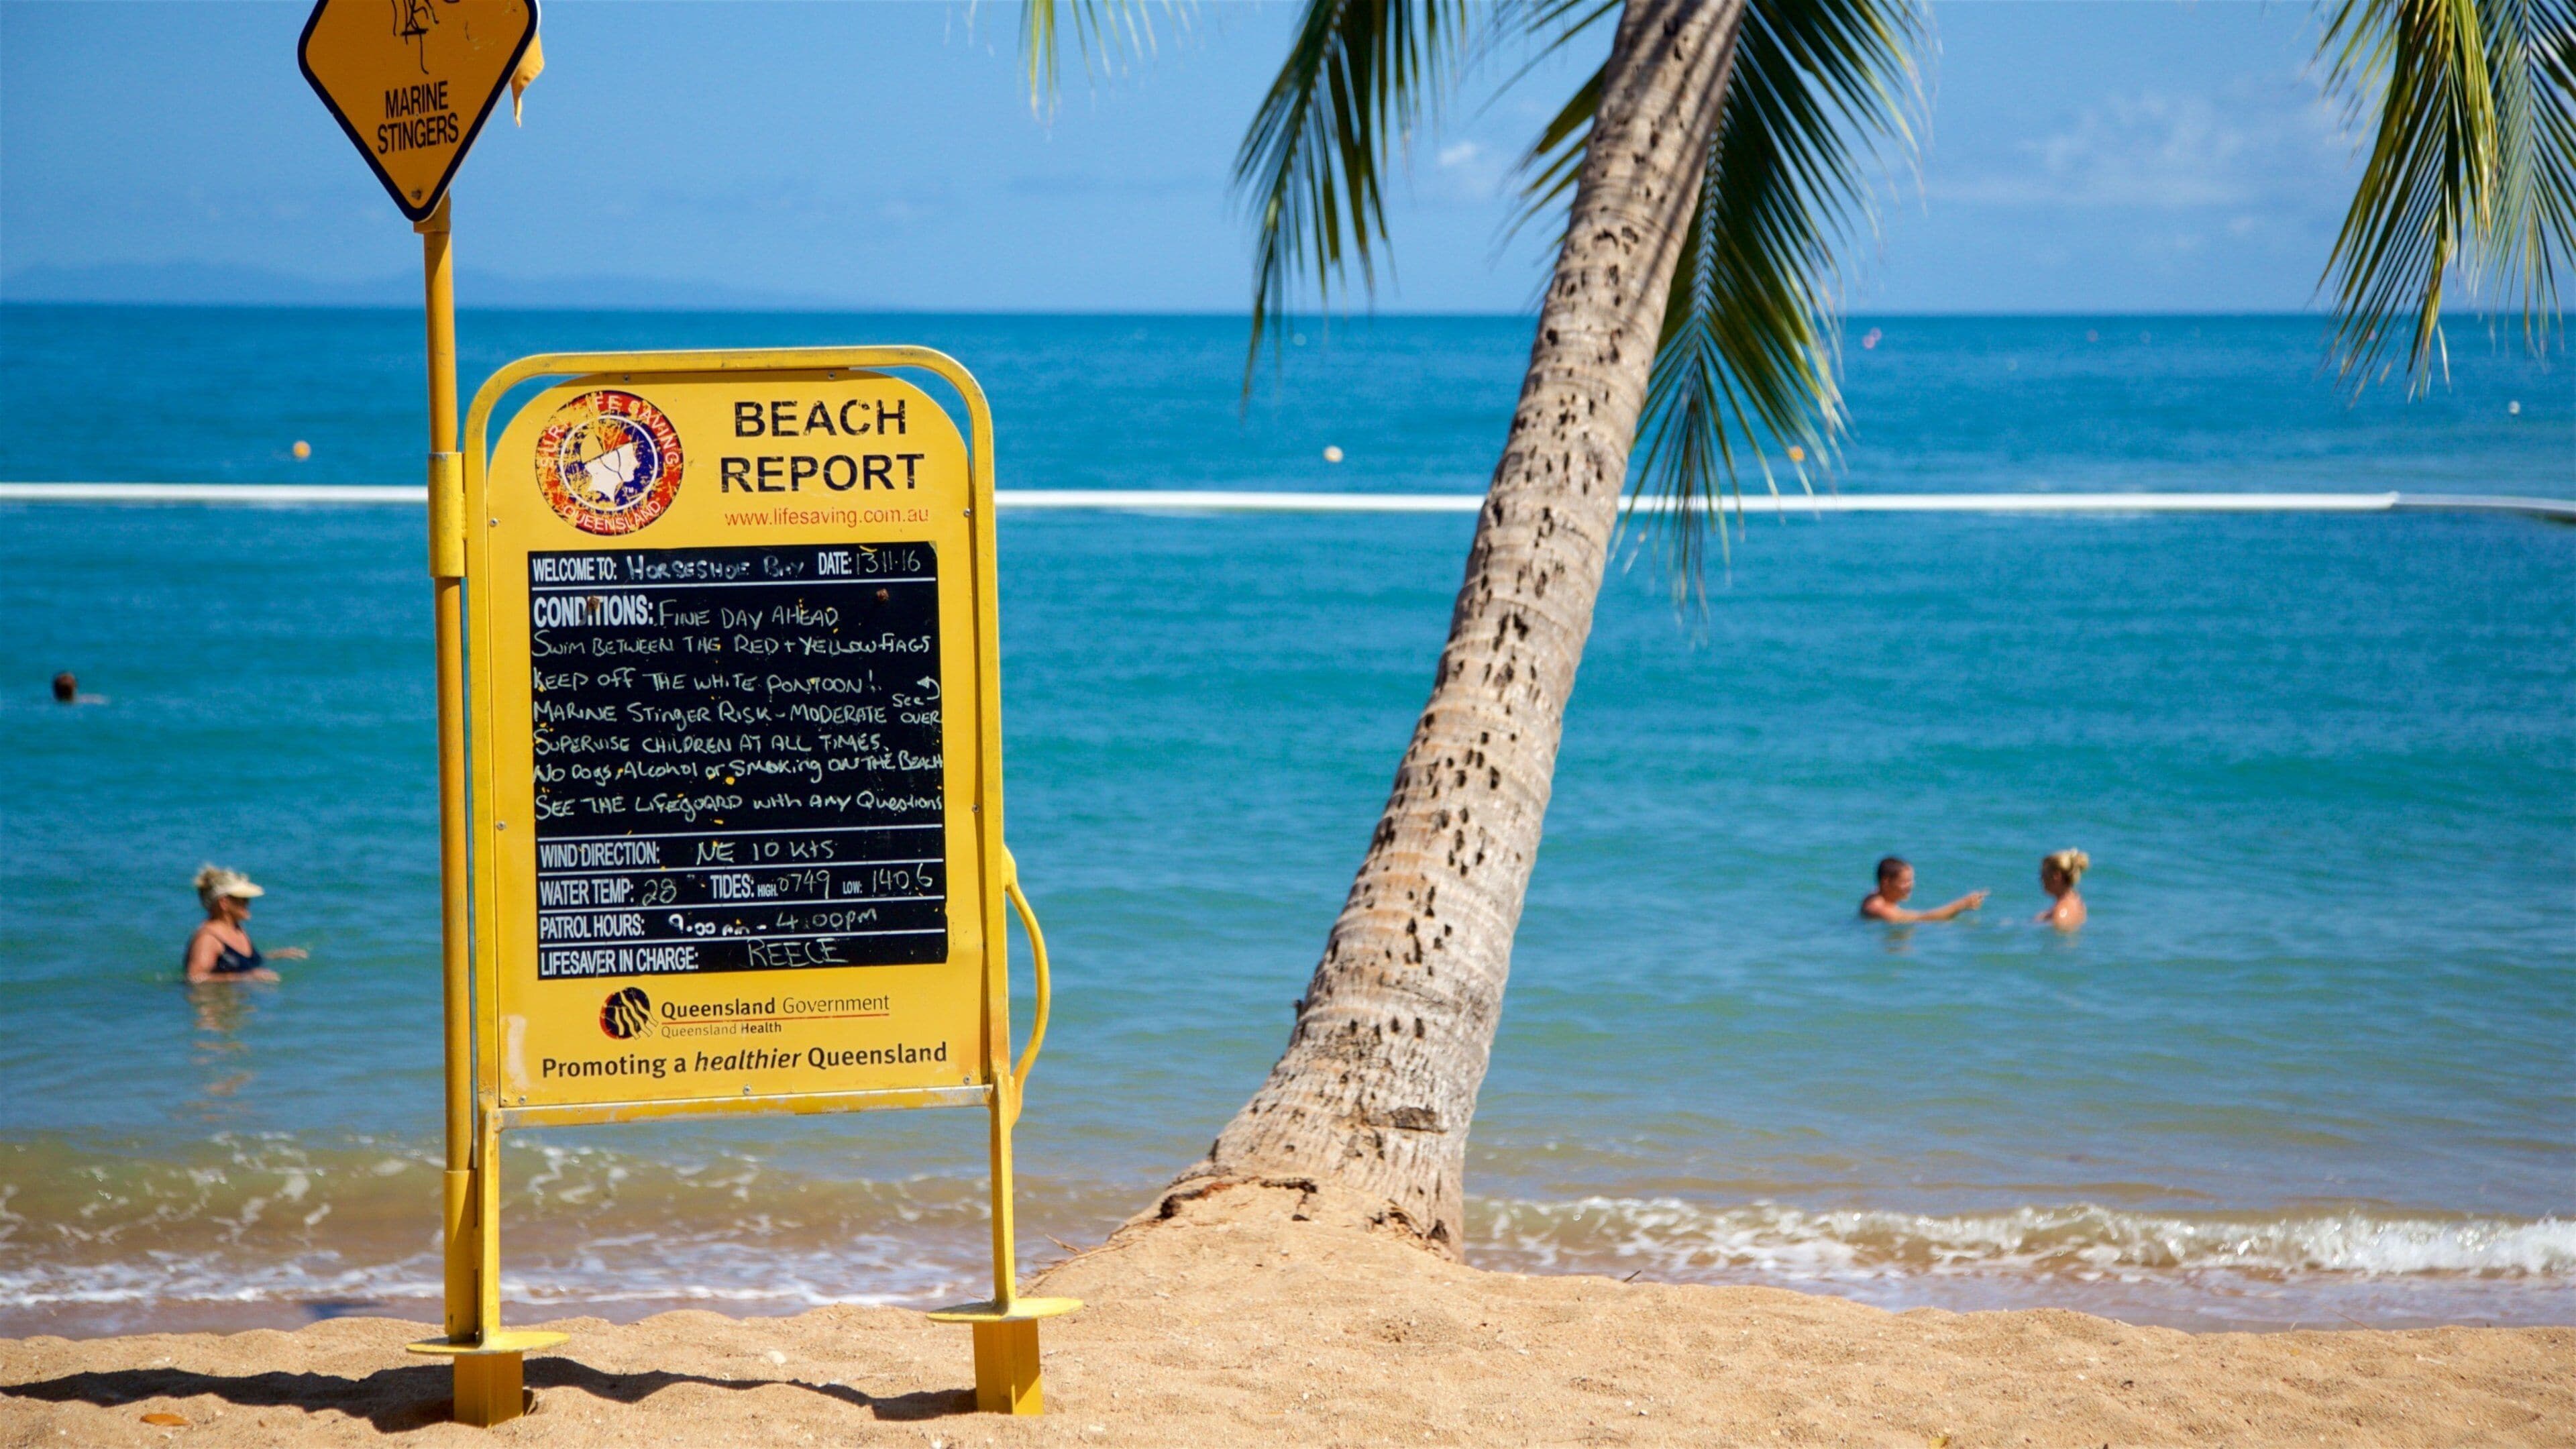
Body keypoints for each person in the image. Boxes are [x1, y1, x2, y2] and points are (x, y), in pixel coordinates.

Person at [184, 866, 306, 983]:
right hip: (218, 1002)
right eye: (243, 899)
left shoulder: (236, 928)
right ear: (224, 903)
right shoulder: (208, 938)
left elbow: (238, 962)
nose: (248, 903)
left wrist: (276, 955)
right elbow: (195, 978)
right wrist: (244, 978)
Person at [1860, 856, 1987, 922]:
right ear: (1886, 882)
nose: (1911, 886)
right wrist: (1961, 905)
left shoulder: (1875, 896)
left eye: (1911, 880)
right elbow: (1924, 919)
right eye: (1905, 882)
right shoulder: (1879, 909)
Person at [2035, 849, 2090, 930]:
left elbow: (2058, 940)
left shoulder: (2061, 912)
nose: (2041, 879)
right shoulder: (2078, 902)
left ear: (2056, 876)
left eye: (2044, 874)